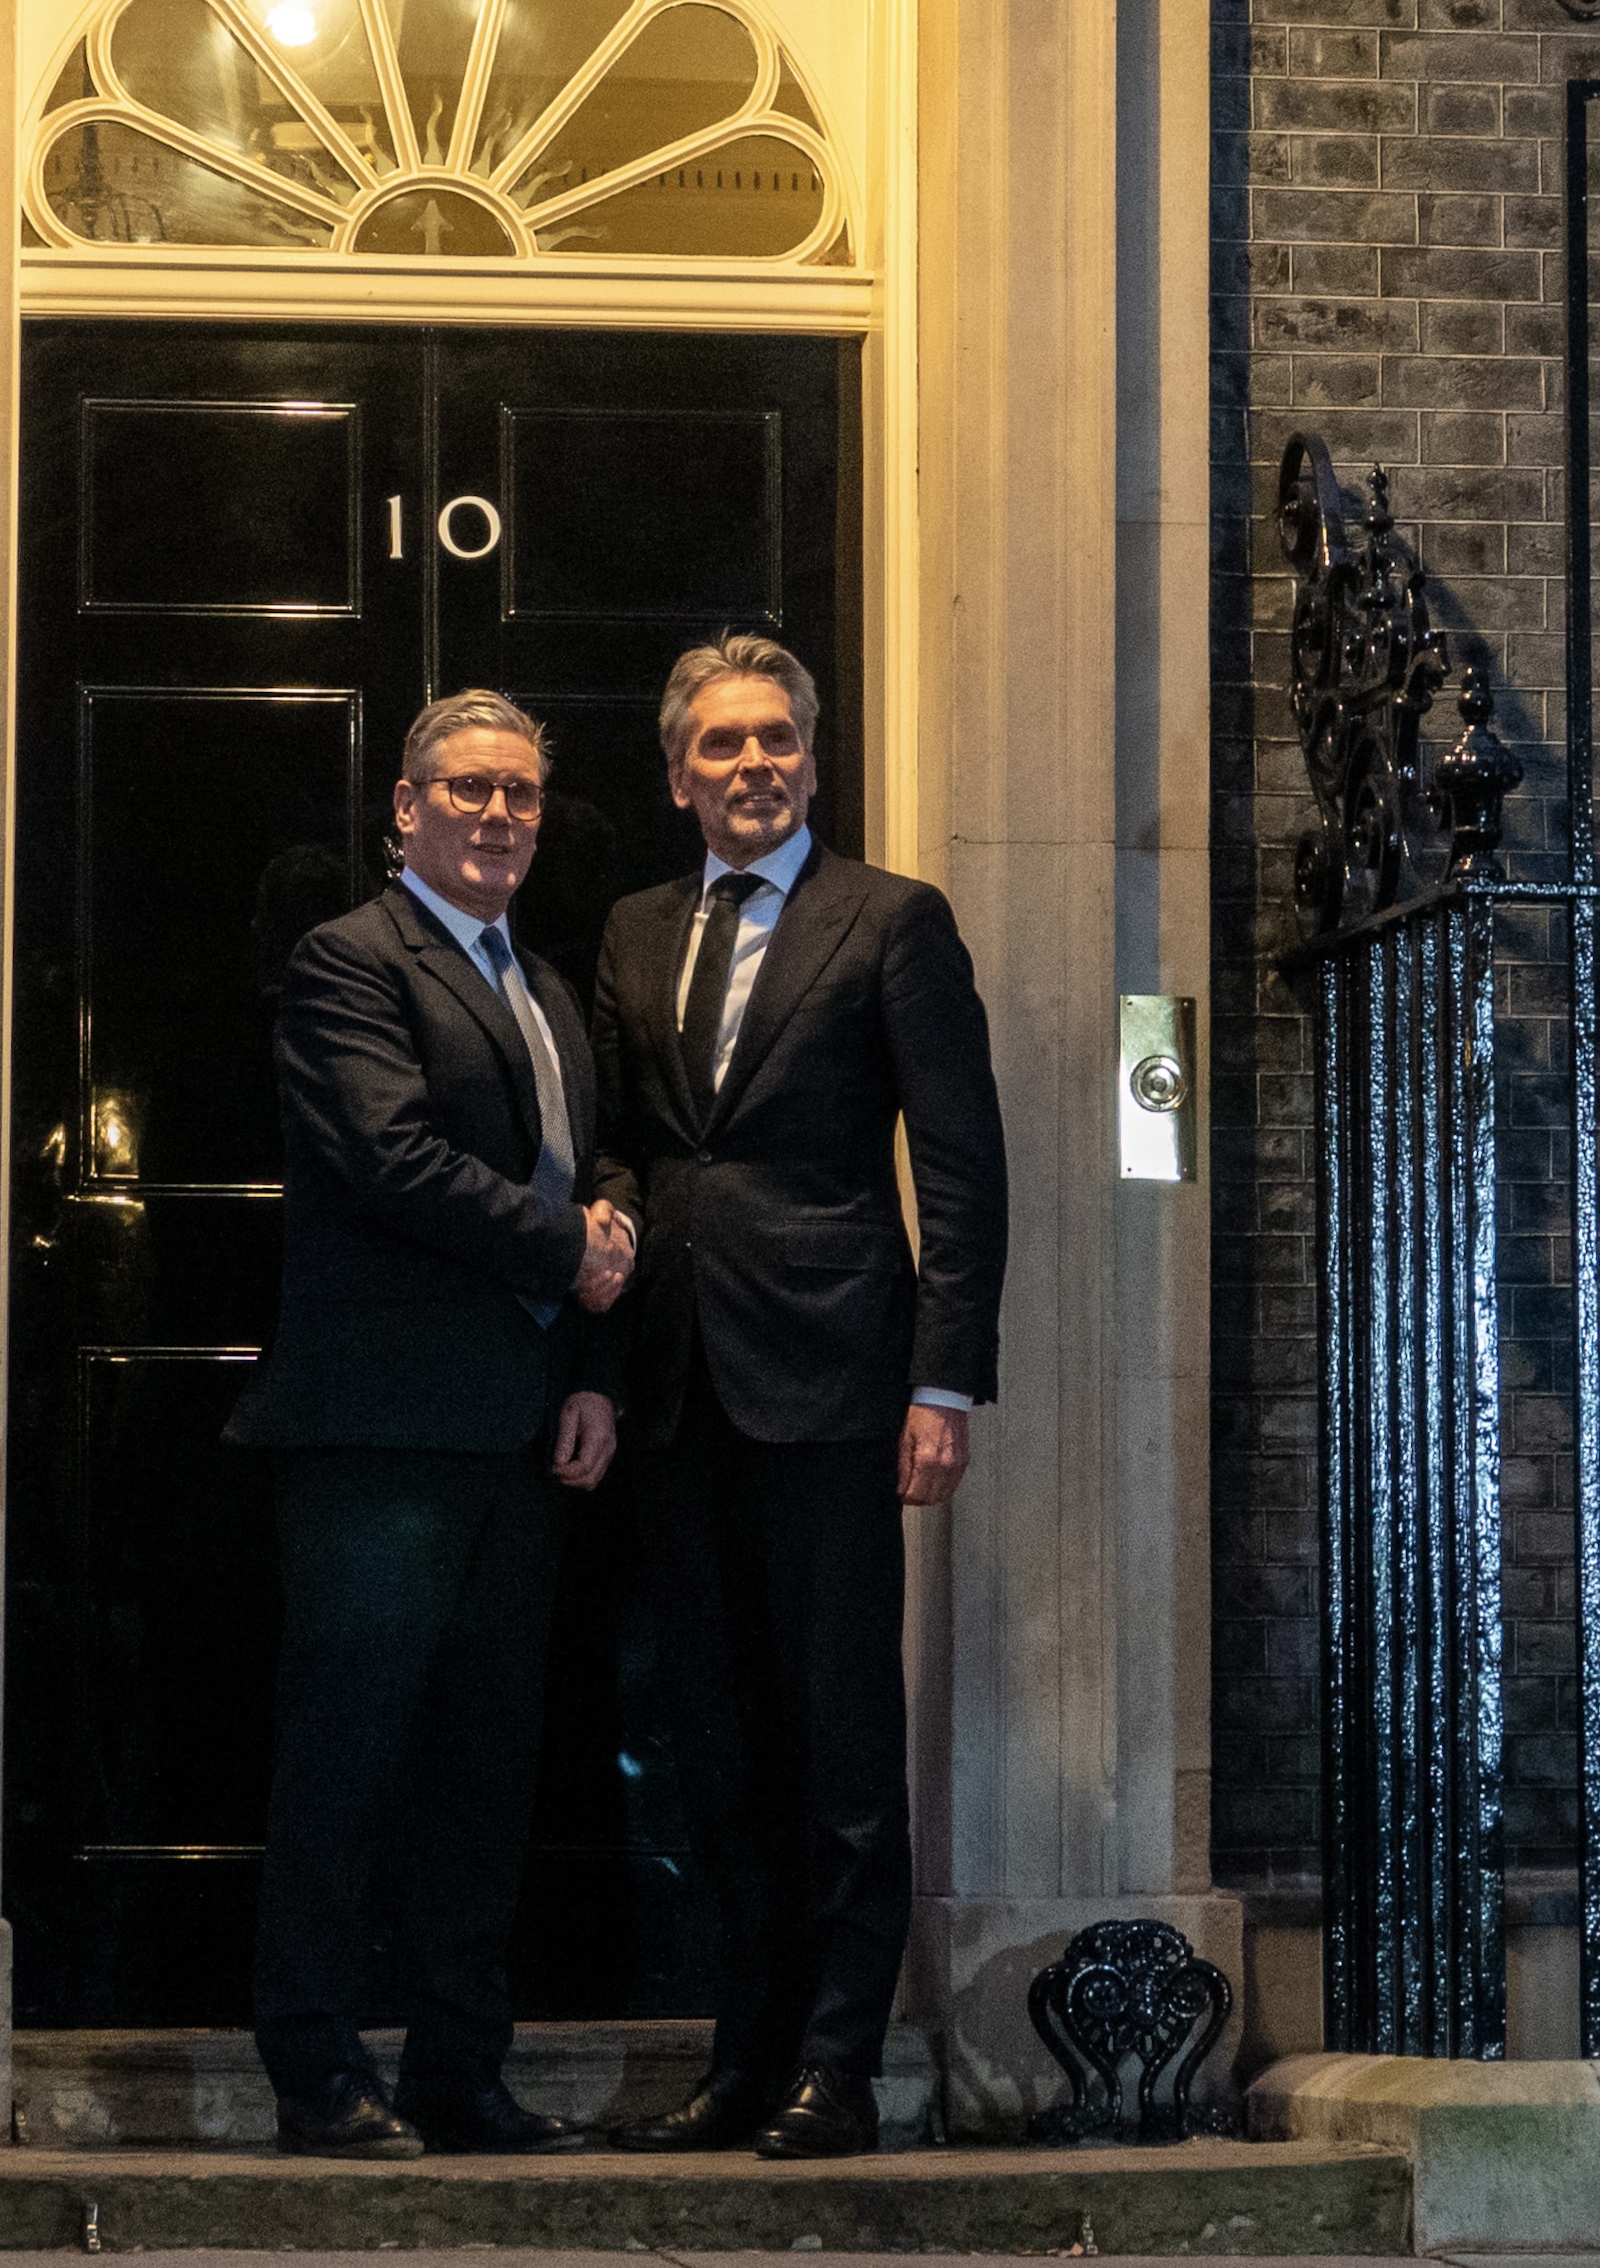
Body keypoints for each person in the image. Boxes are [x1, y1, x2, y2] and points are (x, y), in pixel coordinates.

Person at [584, 635, 1007, 2161]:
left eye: (775, 741)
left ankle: (842, 2059)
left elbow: (960, 1163)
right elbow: (625, 1139)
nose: (750, 765)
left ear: (814, 760)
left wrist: (944, 1378)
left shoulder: (890, 920)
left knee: (837, 1743)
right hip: (678, 1385)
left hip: (838, 1382)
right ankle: (742, 2054)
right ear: (678, 771)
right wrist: (614, 1224)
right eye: (718, 746)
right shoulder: (634, 928)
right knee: (715, 1742)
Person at [229, 689, 642, 2160]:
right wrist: (566, 1247)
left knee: (487, 1768)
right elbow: (391, 1157)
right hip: (379, 1438)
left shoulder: (540, 981)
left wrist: (596, 1348)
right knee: (350, 1758)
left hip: (521, 1435)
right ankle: (318, 2070)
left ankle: (465, 2069)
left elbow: (595, 1166)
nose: (497, 814)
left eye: (522, 794)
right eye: (467, 788)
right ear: (405, 809)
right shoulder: (352, 960)